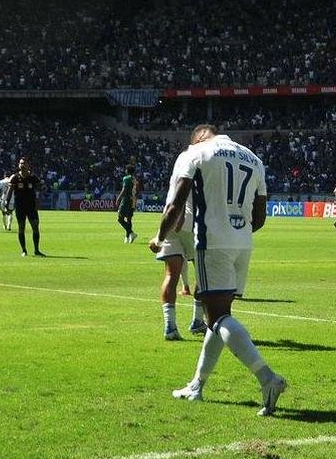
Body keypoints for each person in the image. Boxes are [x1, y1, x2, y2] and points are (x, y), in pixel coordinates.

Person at [150, 124, 287, 416]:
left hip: (212, 242)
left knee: (219, 316)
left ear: (199, 137)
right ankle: (197, 384)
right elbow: (259, 216)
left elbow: (175, 204)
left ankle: (268, 378)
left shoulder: (195, 153)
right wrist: (238, 232)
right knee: (218, 317)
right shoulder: (252, 157)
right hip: (242, 244)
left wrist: (159, 238)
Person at [150, 147, 204, 340]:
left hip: (169, 220)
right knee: (203, 274)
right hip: (191, 223)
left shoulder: (180, 161)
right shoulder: (200, 161)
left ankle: (170, 327)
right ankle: (197, 321)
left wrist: (160, 235)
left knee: (171, 274)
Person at [5, 157, 44, 256]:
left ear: (28, 165)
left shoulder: (33, 178)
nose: (21, 165)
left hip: (31, 206)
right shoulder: (15, 177)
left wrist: (38, 200)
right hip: (20, 206)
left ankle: (36, 250)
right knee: (21, 228)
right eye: (20, 163)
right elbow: (9, 192)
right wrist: (6, 203)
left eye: (24, 163)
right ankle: (24, 250)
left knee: (35, 227)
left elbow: (41, 188)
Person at [115, 164, 139, 243]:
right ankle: (127, 236)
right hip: (133, 200)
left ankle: (131, 233)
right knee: (129, 219)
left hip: (126, 200)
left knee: (120, 218)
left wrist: (118, 198)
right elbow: (137, 191)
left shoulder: (126, 178)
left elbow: (124, 189)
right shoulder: (135, 179)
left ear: (127, 170)